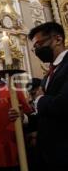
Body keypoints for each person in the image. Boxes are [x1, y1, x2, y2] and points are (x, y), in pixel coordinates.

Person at [27, 22, 68, 170]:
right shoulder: (49, 73)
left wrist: (39, 99)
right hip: (49, 153)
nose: (37, 50)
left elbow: (63, 105)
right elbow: (45, 113)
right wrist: (24, 118)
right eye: (35, 48)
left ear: (57, 39)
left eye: (39, 44)